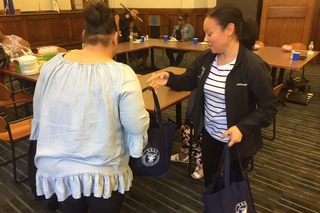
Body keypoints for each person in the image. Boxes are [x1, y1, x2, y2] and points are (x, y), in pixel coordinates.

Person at [30, 2, 150, 213]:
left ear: (84, 35)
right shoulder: (122, 73)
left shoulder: (51, 66)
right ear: (115, 37)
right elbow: (136, 127)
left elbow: (39, 115)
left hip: (59, 170)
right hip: (103, 170)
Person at [148, 3, 278, 187]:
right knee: (211, 181)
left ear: (229, 29)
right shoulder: (207, 58)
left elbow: (269, 107)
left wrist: (242, 128)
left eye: (210, 33)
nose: (205, 38)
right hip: (210, 136)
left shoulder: (253, 66)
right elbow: (190, 80)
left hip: (238, 141)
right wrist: (169, 78)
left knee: (234, 187)